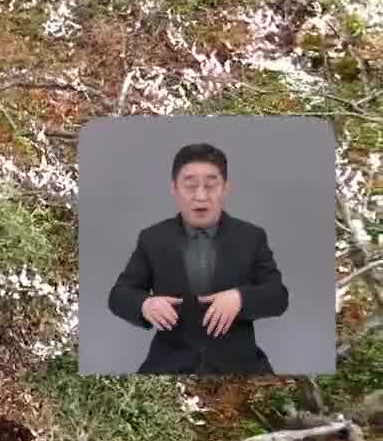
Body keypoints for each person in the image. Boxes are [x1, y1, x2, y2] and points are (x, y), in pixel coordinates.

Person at [108, 142, 289, 374]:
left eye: (211, 185)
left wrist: (240, 298)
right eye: (190, 186)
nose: (200, 196)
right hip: (168, 366)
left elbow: (278, 296)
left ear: (226, 188)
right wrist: (145, 305)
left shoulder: (251, 237)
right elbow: (119, 294)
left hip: (241, 367)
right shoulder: (153, 238)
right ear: (174, 188)